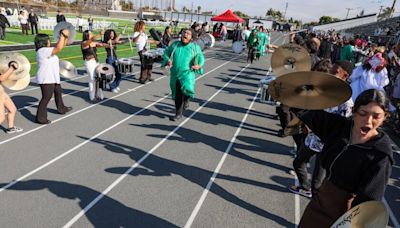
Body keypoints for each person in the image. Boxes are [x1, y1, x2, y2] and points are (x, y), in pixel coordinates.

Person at [297, 89, 393, 227]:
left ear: (385, 117)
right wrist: (296, 89)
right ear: (354, 111)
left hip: (344, 216)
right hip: (319, 203)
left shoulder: (380, 155)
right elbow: (306, 111)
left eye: (376, 116)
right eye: (363, 113)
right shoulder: (340, 127)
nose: (368, 121)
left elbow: (368, 201)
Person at [289, 60, 355, 198]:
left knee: (318, 183)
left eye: (335, 71)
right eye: (331, 70)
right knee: (298, 162)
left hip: (328, 146)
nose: (331, 73)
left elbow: (343, 128)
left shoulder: (347, 102)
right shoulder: (323, 90)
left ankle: (316, 210)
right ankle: (305, 186)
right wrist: (307, 123)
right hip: (313, 139)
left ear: (345, 75)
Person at [162, 28, 204, 121]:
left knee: (187, 89)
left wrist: (198, 65)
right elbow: (166, 53)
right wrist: (168, 60)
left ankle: (187, 99)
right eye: (184, 32)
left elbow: (201, 58)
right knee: (177, 94)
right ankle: (178, 113)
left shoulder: (195, 47)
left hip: (188, 73)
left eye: (188, 33)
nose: (185, 34)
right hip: (175, 74)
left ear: (191, 38)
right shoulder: (175, 45)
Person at [34, 31, 72, 124]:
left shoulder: (46, 50)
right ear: (43, 41)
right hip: (46, 78)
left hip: (53, 77)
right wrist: (62, 35)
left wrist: (65, 37)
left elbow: (62, 46)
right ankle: (40, 118)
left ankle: (61, 108)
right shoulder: (43, 50)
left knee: (58, 92)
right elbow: (59, 47)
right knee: (46, 97)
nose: (49, 41)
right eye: (48, 40)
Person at [81, 30, 106, 102]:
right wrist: (99, 34)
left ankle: (98, 94)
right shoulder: (84, 43)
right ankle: (92, 96)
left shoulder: (93, 43)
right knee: (92, 79)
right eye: (90, 33)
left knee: (99, 78)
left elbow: (102, 44)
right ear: (86, 35)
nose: (91, 34)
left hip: (95, 62)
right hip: (89, 63)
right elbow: (91, 40)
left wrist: (110, 44)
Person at [0, 62, 23, 133]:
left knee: (12, 109)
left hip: (2, 93)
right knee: (1, 117)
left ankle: (11, 128)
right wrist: (12, 67)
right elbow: (2, 78)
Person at [103, 29, 122, 93]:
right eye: (111, 33)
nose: (112, 35)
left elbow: (117, 41)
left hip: (115, 58)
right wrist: (121, 34)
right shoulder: (107, 41)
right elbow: (115, 41)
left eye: (113, 33)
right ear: (108, 34)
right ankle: (112, 87)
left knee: (119, 73)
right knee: (111, 74)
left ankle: (115, 85)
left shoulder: (112, 41)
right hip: (110, 58)